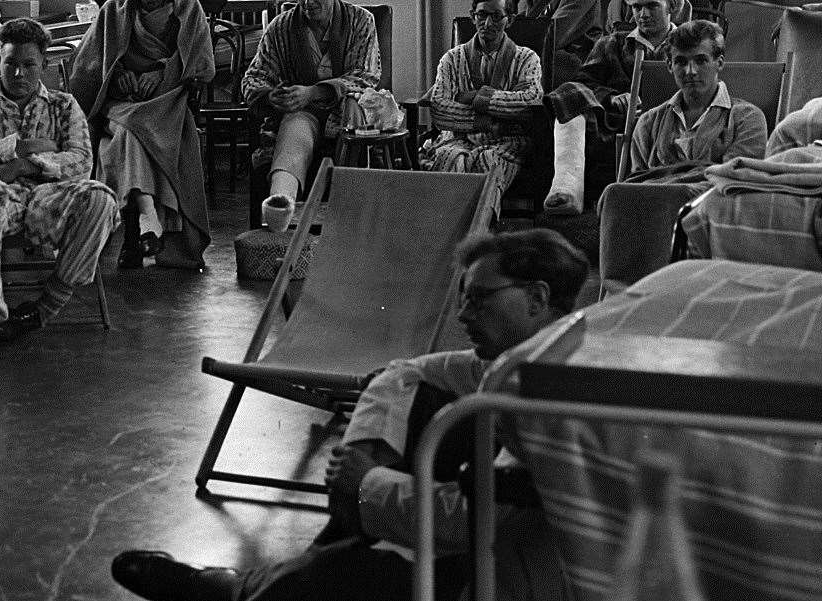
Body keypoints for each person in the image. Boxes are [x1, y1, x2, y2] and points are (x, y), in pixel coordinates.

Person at [110, 228, 589, 601]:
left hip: (510, 576)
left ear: (537, 297)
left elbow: (483, 520)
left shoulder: (558, 392)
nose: (463, 314)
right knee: (422, 397)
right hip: (474, 547)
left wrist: (365, 481)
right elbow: (404, 373)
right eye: (461, 296)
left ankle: (254, 588)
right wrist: (365, 458)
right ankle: (297, 570)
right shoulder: (525, 358)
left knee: (366, 570)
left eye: (479, 297)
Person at [0, 18, 119, 373]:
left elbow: (82, 162)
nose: (18, 73)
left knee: (101, 199)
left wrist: (24, 164)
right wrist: (15, 149)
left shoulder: (64, 105)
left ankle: (43, 308)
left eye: (29, 64)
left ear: (43, 65)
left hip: (50, 199)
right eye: (10, 62)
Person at [68, 0, 215, 270]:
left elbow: (202, 65)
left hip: (167, 101)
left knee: (124, 135)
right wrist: (116, 74)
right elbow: (89, 64)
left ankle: (143, 221)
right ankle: (149, 219)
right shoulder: (113, 10)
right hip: (123, 102)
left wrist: (164, 71)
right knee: (127, 129)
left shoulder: (188, 7)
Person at [237, 0, 380, 230]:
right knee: (293, 130)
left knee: (354, 108)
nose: (308, 1)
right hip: (301, 113)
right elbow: (254, 77)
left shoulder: (361, 21)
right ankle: (279, 214)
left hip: (346, 112)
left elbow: (366, 76)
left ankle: (350, 222)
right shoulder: (281, 27)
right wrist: (271, 96)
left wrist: (314, 91)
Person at [540, 0, 680, 215]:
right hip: (616, 119)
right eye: (637, 8)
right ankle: (567, 186)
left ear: (672, 5)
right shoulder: (613, 42)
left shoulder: (688, 43)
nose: (643, 15)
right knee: (568, 93)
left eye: (652, 6)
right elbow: (585, 81)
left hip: (672, 118)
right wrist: (611, 97)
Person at [418, 0, 543, 194]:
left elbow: (529, 103)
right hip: (457, 138)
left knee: (488, 164)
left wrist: (475, 98)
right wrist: (486, 120)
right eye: (482, 15)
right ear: (472, 16)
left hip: (506, 142)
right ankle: (448, 225)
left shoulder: (526, 58)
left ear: (509, 20)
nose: (487, 24)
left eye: (497, 17)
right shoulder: (452, 59)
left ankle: (483, 225)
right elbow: (440, 109)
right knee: (451, 160)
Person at [627, 20, 767, 179]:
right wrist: (706, 169)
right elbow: (635, 183)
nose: (690, 71)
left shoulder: (747, 118)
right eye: (681, 62)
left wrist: (664, 176)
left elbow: (735, 178)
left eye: (700, 61)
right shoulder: (648, 122)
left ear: (719, 63)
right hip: (653, 202)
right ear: (669, 65)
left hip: (714, 201)